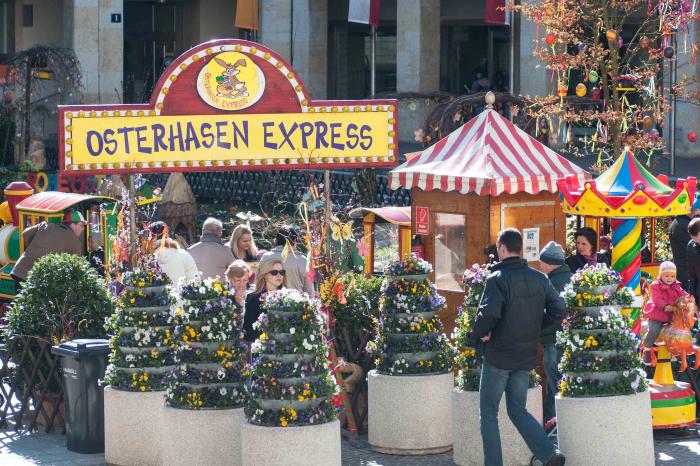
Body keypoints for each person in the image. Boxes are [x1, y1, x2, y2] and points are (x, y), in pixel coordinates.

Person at [473, 228, 566, 466]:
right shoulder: (540, 278)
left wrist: (480, 334)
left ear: (502, 248)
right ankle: (549, 453)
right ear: (520, 249)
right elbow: (559, 309)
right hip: (525, 356)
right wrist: (537, 326)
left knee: (488, 414)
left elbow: (488, 315)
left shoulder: (497, 278)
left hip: (499, 356)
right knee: (517, 410)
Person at [537, 241, 572, 424]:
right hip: (568, 339)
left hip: (552, 338)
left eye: (542, 261)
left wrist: (537, 326)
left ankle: (557, 424)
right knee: (557, 384)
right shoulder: (572, 278)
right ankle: (550, 422)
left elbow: (547, 312)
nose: (540, 265)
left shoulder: (550, 283)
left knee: (556, 384)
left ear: (550, 263)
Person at [12, 210, 86, 283]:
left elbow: (25, 233)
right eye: (81, 225)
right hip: (37, 280)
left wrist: (34, 246)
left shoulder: (46, 225)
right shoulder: (76, 243)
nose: (83, 229)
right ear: (72, 224)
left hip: (19, 271)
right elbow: (76, 267)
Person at [641, 261, 692, 364]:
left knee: (680, 329)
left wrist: (689, 299)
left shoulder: (676, 286)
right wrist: (665, 306)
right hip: (657, 315)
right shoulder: (656, 286)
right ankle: (647, 349)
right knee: (654, 330)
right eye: (667, 276)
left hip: (671, 316)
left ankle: (676, 350)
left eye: (672, 276)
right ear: (661, 275)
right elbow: (657, 299)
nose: (670, 278)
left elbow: (683, 294)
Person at [259, 225, 313, 295]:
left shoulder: (266, 257)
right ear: (295, 241)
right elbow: (309, 290)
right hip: (297, 300)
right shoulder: (303, 260)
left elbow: (258, 283)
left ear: (276, 240)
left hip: (269, 299)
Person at [243, 259, 287, 343]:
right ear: (265, 275)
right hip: (261, 346)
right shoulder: (253, 299)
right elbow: (249, 332)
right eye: (274, 272)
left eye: (282, 272)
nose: (279, 275)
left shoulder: (290, 297)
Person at [148, 221, 199, 286]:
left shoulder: (148, 261)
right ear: (167, 234)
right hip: (182, 291)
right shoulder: (183, 254)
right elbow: (195, 281)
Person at [669, 205, 700, 290]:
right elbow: (694, 248)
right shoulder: (685, 224)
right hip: (687, 270)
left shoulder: (678, 222)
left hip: (683, 268)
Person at [225, 260, 250, 326]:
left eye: (245, 280)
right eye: (238, 280)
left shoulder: (250, 293)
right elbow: (232, 322)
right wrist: (237, 303)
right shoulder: (225, 295)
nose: (242, 284)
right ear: (230, 280)